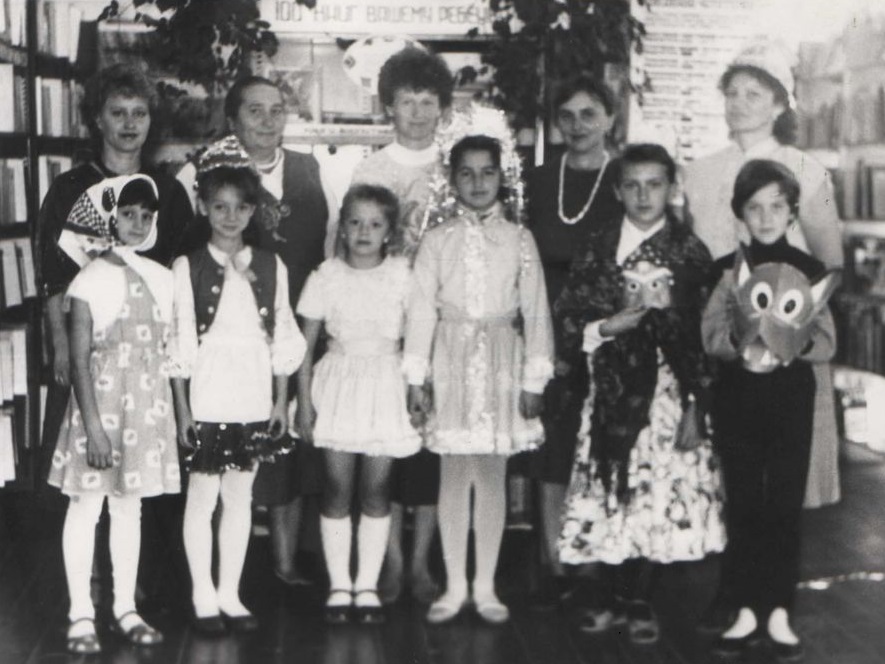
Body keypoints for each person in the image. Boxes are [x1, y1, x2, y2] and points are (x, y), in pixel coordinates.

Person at [555, 144, 725, 644]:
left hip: (669, 395)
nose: (643, 195)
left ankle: (640, 598)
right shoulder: (598, 245)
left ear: (672, 188)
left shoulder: (690, 253)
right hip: (610, 391)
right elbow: (570, 315)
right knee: (612, 489)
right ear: (617, 190)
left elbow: (705, 339)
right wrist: (607, 327)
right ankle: (608, 593)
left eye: (654, 184)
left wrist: (697, 407)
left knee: (655, 493)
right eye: (632, 185)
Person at [179, 76, 337, 586]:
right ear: (232, 119)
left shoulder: (312, 169)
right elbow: (185, 254)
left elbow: (332, 246)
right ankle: (223, 577)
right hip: (223, 337)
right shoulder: (201, 172)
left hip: (295, 326)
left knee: (285, 446)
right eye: (255, 110)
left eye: (276, 110)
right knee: (221, 462)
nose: (268, 121)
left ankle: (285, 563)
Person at [682, 39, 842, 512]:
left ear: (779, 104)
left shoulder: (812, 172)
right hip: (722, 336)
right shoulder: (698, 172)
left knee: (783, 481)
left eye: (754, 94)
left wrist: (791, 330)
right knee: (729, 479)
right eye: (732, 92)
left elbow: (830, 263)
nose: (739, 103)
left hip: (786, 341)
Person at [404, 134, 554, 625]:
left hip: (501, 361)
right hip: (450, 358)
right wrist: (416, 376)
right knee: (453, 475)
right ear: (453, 180)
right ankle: (453, 585)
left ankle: (486, 585)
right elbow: (421, 310)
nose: (477, 182)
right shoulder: (437, 240)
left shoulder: (519, 239)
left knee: (491, 474)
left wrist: (534, 378)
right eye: (466, 173)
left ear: (500, 177)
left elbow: (536, 310)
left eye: (487, 172)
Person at [168, 141, 307, 634]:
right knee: (202, 496)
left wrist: (281, 400)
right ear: (204, 207)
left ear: (253, 211)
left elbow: (283, 334)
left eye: (240, 208)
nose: (230, 217)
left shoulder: (271, 265)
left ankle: (230, 592)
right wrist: (183, 411)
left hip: (252, 390)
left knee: (240, 496)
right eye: (219, 207)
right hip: (208, 389)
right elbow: (179, 341)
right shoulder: (187, 266)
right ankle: (201, 594)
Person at [702, 160, 837, 661]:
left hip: (789, 401)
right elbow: (711, 334)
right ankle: (743, 609)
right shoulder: (726, 269)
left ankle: (779, 610)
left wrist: (789, 344)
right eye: (754, 208)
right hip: (737, 400)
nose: (765, 217)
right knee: (742, 502)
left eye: (776, 207)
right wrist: (739, 340)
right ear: (739, 212)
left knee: (782, 504)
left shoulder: (811, 271)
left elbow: (827, 342)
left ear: (792, 212)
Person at [47, 175, 180, 655]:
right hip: (99, 408)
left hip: (144, 408)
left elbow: (168, 350)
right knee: (86, 506)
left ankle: (125, 606)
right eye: (127, 214)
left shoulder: (162, 277)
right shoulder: (88, 280)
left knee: (130, 508)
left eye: (146, 216)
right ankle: (81, 612)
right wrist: (94, 429)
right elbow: (81, 359)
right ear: (109, 218)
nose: (137, 224)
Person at [40, 62, 193, 476]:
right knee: (81, 469)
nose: (130, 123)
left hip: (146, 354)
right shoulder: (69, 188)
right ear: (97, 119)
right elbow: (52, 275)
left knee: (142, 469)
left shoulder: (169, 193)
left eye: (139, 113)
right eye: (118, 112)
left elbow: (179, 280)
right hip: (83, 345)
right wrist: (59, 343)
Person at [350, 47, 454, 604]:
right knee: (384, 445)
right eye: (406, 101)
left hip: (444, 326)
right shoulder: (371, 169)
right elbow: (350, 247)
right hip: (384, 325)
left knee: (433, 448)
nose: (417, 112)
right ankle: (388, 562)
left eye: (427, 101)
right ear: (388, 105)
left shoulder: (455, 166)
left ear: (443, 107)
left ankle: (421, 565)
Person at [296, 184, 421, 624]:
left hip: (386, 385)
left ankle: (366, 586)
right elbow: (303, 348)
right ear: (342, 229)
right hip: (338, 386)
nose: (364, 232)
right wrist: (303, 404)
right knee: (336, 487)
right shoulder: (325, 276)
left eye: (375, 224)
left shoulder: (403, 276)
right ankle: (339, 586)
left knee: (376, 489)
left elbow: (418, 338)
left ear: (389, 231)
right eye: (355, 222)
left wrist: (417, 387)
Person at [523, 74, 623, 605]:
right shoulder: (540, 180)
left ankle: (598, 561)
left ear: (610, 118)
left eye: (588, 114)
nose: (577, 125)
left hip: (611, 331)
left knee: (603, 445)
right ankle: (555, 563)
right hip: (548, 326)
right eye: (566, 115)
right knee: (554, 448)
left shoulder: (627, 177)